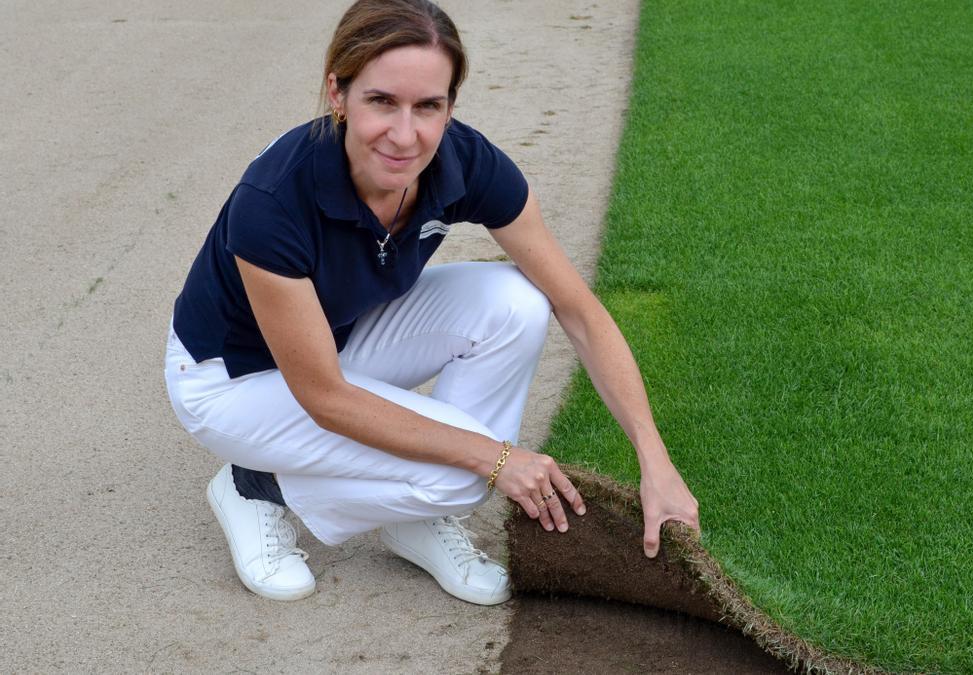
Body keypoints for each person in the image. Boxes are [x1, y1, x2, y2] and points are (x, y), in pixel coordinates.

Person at [164, 0, 699, 604]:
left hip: (336, 340)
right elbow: (323, 396)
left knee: (517, 301)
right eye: (381, 101)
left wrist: (656, 462)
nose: (405, 134)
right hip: (231, 381)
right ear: (337, 94)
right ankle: (254, 485)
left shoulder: (465, 162)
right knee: (465, 472)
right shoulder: (273, 200)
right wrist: (495, 460)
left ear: (451, 106)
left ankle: (418, 516)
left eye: (428, 106)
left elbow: (576, 307)